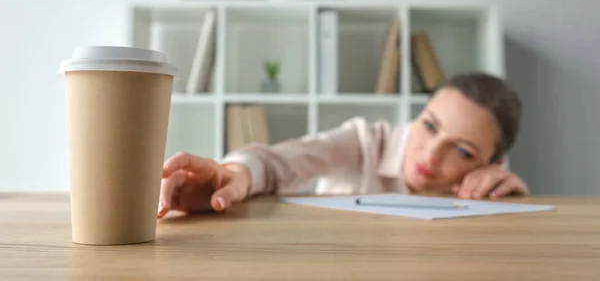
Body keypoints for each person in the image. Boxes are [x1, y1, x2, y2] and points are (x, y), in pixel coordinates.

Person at [157, 72, 529, 219]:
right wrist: (232, 175)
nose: (431, 154)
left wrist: (509, 200)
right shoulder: (364, 142)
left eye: (462, 151)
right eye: (429, 126)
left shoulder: (482, 188)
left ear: (493, 161)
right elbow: (277, 162)